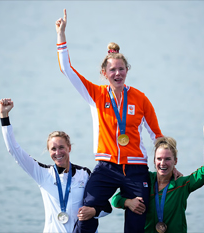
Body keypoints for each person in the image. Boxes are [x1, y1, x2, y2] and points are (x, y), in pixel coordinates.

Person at [55, 9, 174, 233]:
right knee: (85, 211)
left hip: (136, 168)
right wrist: (61, 35)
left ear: (127, 70)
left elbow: (157, 136)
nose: (117, 73)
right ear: (104, 72)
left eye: (121, 69)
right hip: (106, 168)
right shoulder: (96, 95)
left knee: (137, 217)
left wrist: (171, 165)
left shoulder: (140, 99)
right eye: (112, 70)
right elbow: (67, 70)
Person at [0, 98, 111, 233]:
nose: (58, 153)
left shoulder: (84, 174)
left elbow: (106, 208)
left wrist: (93, 211)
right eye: (53, 149)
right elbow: (14, 150)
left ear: (69, 148)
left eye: (61, 147)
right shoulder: (42, 173)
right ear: (48, 151)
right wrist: (4, 116)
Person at [111, 119, 204, 233]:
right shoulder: (144, 180)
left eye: (167, 159)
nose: (162, 163)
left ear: (175, 161)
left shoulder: (182, 185)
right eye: (159, 159)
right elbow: (115, 199)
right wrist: (128, 203)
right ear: (154, 160)